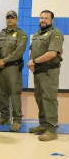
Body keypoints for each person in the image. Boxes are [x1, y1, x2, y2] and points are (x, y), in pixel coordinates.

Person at [27, 10, 64, 141]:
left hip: (49, 71)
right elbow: (32, 49)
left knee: (49, 99)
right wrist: (31, 62)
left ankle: (52, 129)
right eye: (41, 18)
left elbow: (52, 53)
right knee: (39, 98)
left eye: (46, 18)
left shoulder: (56, 34)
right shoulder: (37, 34)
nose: (43, 20)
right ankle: (43, 124)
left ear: (52, 20)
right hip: (38, 71)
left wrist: (34, 61)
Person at [0, 11, 27, 132]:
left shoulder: (20, 34)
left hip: (13, 67)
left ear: (16, 19)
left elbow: (19, 52)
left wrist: (4, 60)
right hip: (1, 67)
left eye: (12, 18)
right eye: (8, 17)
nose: (9, 20)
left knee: (14, 93)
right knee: (2, 93)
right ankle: (4, 117)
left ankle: (17, 119)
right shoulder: (1, 33)